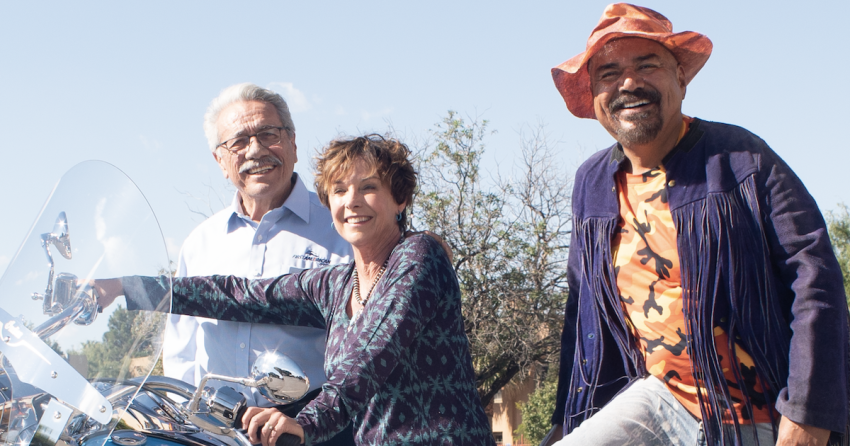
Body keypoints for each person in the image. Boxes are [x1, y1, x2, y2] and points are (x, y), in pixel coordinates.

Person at [543, 4, 850, 446]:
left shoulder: (741, 158)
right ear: (593, 95)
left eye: (647, 65)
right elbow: (581, 311)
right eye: (609, 73)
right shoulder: (591, 182)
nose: (628, 83)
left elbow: (814, 277)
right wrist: (564, 418)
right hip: (656, 401)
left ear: (681, 78)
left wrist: (808, 413)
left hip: (758, 409)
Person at [96, 135, 495, 446]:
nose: (352, 202)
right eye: (339, 190)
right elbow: (239, 295)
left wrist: (304, 423)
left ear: (400, 199)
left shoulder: (418, 257)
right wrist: (124, 287)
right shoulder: (335, 284)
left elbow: (366, 361)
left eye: (369, 187)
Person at [167, 83, 353, 421]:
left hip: (310, 432)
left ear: (293, 143)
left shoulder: (341, 229)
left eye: (268, 134)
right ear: (220, 161)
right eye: (238, 142)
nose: (255, 150)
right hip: (216, 435)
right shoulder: (199, 244)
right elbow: (182, 355)